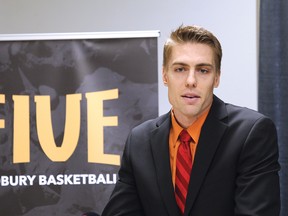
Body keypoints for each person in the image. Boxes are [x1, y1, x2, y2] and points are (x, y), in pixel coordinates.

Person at [101, 25, 281, 216]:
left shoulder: (251, 133)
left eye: (203, 70)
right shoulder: (139, 141)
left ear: (217, 77)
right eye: (180, 69)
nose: (190, 81)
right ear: (165, 75)